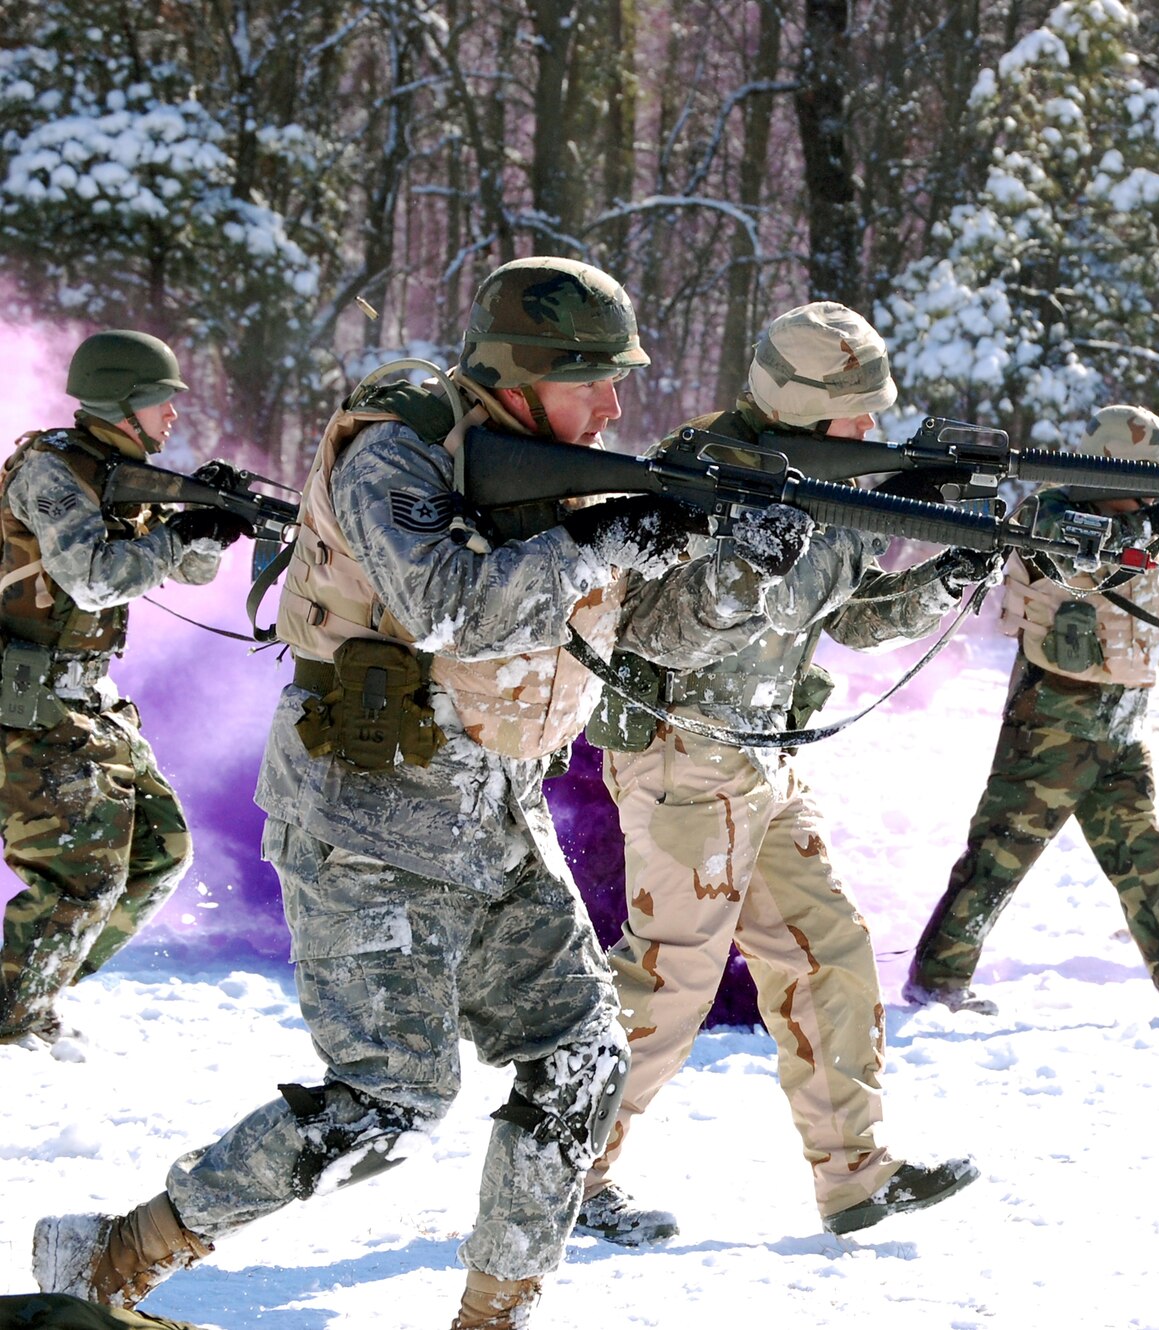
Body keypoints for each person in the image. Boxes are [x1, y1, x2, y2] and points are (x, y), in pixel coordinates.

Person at [34, 258, 695, 1329]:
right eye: (593, 377)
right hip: (364, 810)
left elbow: (646, 637)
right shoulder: (394, 444)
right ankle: (122, 1252)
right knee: (388, 1100)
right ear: (521, 378)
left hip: (491, 809)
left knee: (581, 1057)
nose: (616, 404)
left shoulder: (560, 472)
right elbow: (444, 606)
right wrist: (602, 536)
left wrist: (732, 553)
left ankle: (496, 1314)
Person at [574, 301, 979, 1247]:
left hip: (764, 755)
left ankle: (855, 1176)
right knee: (671, 979)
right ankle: (558, 1174)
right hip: (683, 755)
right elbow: (656, 634)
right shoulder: (701, 473)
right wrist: (741, 568)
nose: (874, 428)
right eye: (858, 409)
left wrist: (950, 573)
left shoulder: (830, 480)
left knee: (827, 953)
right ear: (801, 404)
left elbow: (852, 616)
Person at [904, 404, 1159, 1021]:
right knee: (1002, 851)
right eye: (1142, 478)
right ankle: (938, 979)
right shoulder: (1051, 513)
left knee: (1144, 855)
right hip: (1053, 716)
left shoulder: (1154, 529)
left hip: (1124, 722)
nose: (1150, 493)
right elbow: (1084, 561)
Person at [0, 331, 247, 1050]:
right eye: (161, 402)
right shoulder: (50, 471)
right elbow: (93, 576)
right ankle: (13, 1019)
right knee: (80, 879)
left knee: (159, 853)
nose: (172, 416)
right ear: (122, 402)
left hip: (88, 704)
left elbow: (188, 574)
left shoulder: (125, 472)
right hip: (30, 706)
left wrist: (209, 524)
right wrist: (182, 533)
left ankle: (27, 992)